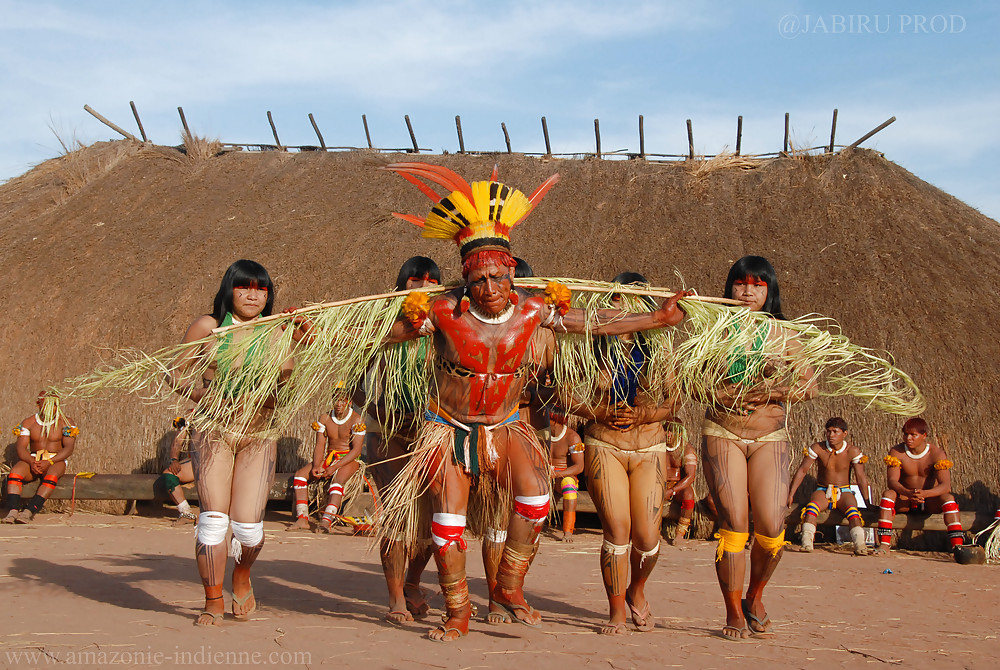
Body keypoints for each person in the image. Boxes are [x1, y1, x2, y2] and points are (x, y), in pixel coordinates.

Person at [376, 163, 689, 642]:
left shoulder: (532, 309)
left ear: (511, 273)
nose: (491, 288)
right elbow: (382, 338)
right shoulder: (442, 311)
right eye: (480, 279)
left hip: (506, 423)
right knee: (447, 526)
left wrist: (655, 321)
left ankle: (509, 585)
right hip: (451, 427)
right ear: (466, 278)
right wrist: (385, 328)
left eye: (500, 277)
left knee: (537, 500)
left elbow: (594, 322)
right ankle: (456, 611)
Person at [179, 259, 310, 626]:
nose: (253, 295)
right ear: (229, 289)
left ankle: (241, 574)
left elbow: (291, 386)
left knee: (249, 528)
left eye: (261, 288)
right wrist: (208, 398)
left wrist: (306, 346)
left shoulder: (279, 331)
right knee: (213, 520)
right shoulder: (209, 327)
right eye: (244, 286)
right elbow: (175, 372)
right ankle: (212, 600)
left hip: (260, 434)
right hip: (214, 431)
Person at [701, 255, 816, 641]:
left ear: (769, 291)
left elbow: (809, 387)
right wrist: (728, 393)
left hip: (769, 436)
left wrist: (770, 390)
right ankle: (733, 611)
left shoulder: (786, 335)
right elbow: (694, 380)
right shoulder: (713, 330)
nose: (748, 292)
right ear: (730, 287)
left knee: (771, 524)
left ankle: (755, 594)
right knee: (734, 522)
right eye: (740, 283)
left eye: (757, 285)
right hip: (723, 431)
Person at [579, 271, 680, 635]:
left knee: (648, 540)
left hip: (649, 443)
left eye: (633, 304)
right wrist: (600, 411)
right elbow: (564, 395)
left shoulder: (659, 349)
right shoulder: (588, 347)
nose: (624, 311)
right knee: (618, 530)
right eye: (617, 303)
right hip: (604, 442)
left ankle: (637, 588)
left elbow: (674, 400)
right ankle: (616, 609)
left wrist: (643, 414)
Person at [364, 256, 440, 623]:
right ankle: (395, 596)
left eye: (430, 279)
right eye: (415, 278)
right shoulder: (376, 321)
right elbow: (351, 373)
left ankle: (412, 581)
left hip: (433, 429)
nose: (422, 284)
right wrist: (377, 408)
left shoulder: (446, 319)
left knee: (430, 517)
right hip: (388, 431)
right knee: (396, 517)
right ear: (402, 282)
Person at [874, 417, 962, 555]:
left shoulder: (936, 454)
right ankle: (884, 545)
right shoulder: (896, 452)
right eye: (905, 434)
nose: (908, 438)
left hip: (929, 501)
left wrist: (925, 494)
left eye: (913, 435)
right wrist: (908, 493)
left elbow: (946, 485)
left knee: (948, 498)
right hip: (905, 499)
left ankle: (958, 547)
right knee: (888, 494)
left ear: (924, 435)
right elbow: (892, 481)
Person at [788, 417, 871, 555]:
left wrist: (867, 502)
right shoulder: (818, 448)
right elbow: (802, 470)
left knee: (853, 512)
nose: (831, 435)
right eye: (828, 431)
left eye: (835, 432)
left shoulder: (853, 451)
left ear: (844, 434)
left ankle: (860, 545)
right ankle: (807, 542)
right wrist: (791, 494)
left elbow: (861, 478)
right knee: (811, 508)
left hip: (844, 491)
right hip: (823, 489)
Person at [287, 394, 366, 533]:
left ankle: (326, 521)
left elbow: (356, 450)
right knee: (299, 476)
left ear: (349, 401)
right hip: (329, 458)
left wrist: (334, 467)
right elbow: (320, 445)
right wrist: (317, 465)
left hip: (349, 459)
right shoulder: (325, 418)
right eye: (336, 399)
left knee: (337, 481)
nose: (338, 403)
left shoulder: (356, 419)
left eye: (342, 400)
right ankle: (302, 518)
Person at [3, 391, 78, 524]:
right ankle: (13, 511)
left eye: (55, 405)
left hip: (55, 459)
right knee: (14, 474)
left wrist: (49, 461)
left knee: (51, 476)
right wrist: (32, 461)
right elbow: (21, 448)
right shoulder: (29, 422)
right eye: (47, 405)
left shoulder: (65, 422)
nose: (51, 408)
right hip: (33, 458)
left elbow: (68, 448)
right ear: (39, 404)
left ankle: (29, 511)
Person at [548, 409, 584, 543]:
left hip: (563, 477)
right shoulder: (541, 434)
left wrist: (556, 474)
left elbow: (579, 466)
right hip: (545, 476)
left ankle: (568, 531)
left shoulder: (573, 437)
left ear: (555, 419)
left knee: (569, 485)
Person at [158, 414, 197, 524]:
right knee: (170, 474)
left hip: (225, 462)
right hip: (199, 462)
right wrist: (174, 459)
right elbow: (178, 440)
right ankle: (186, 512)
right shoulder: (192, 414)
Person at [664, 421, 698, 547]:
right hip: (659, 485)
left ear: (679, 433)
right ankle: (653, 531)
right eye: (666, 430)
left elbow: (690, 477)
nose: (668, 434)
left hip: (677, 488)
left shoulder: (686, 449)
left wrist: (672, 490)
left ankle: (680, 533)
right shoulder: (657, 446)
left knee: (688, 494)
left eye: (671, 431)